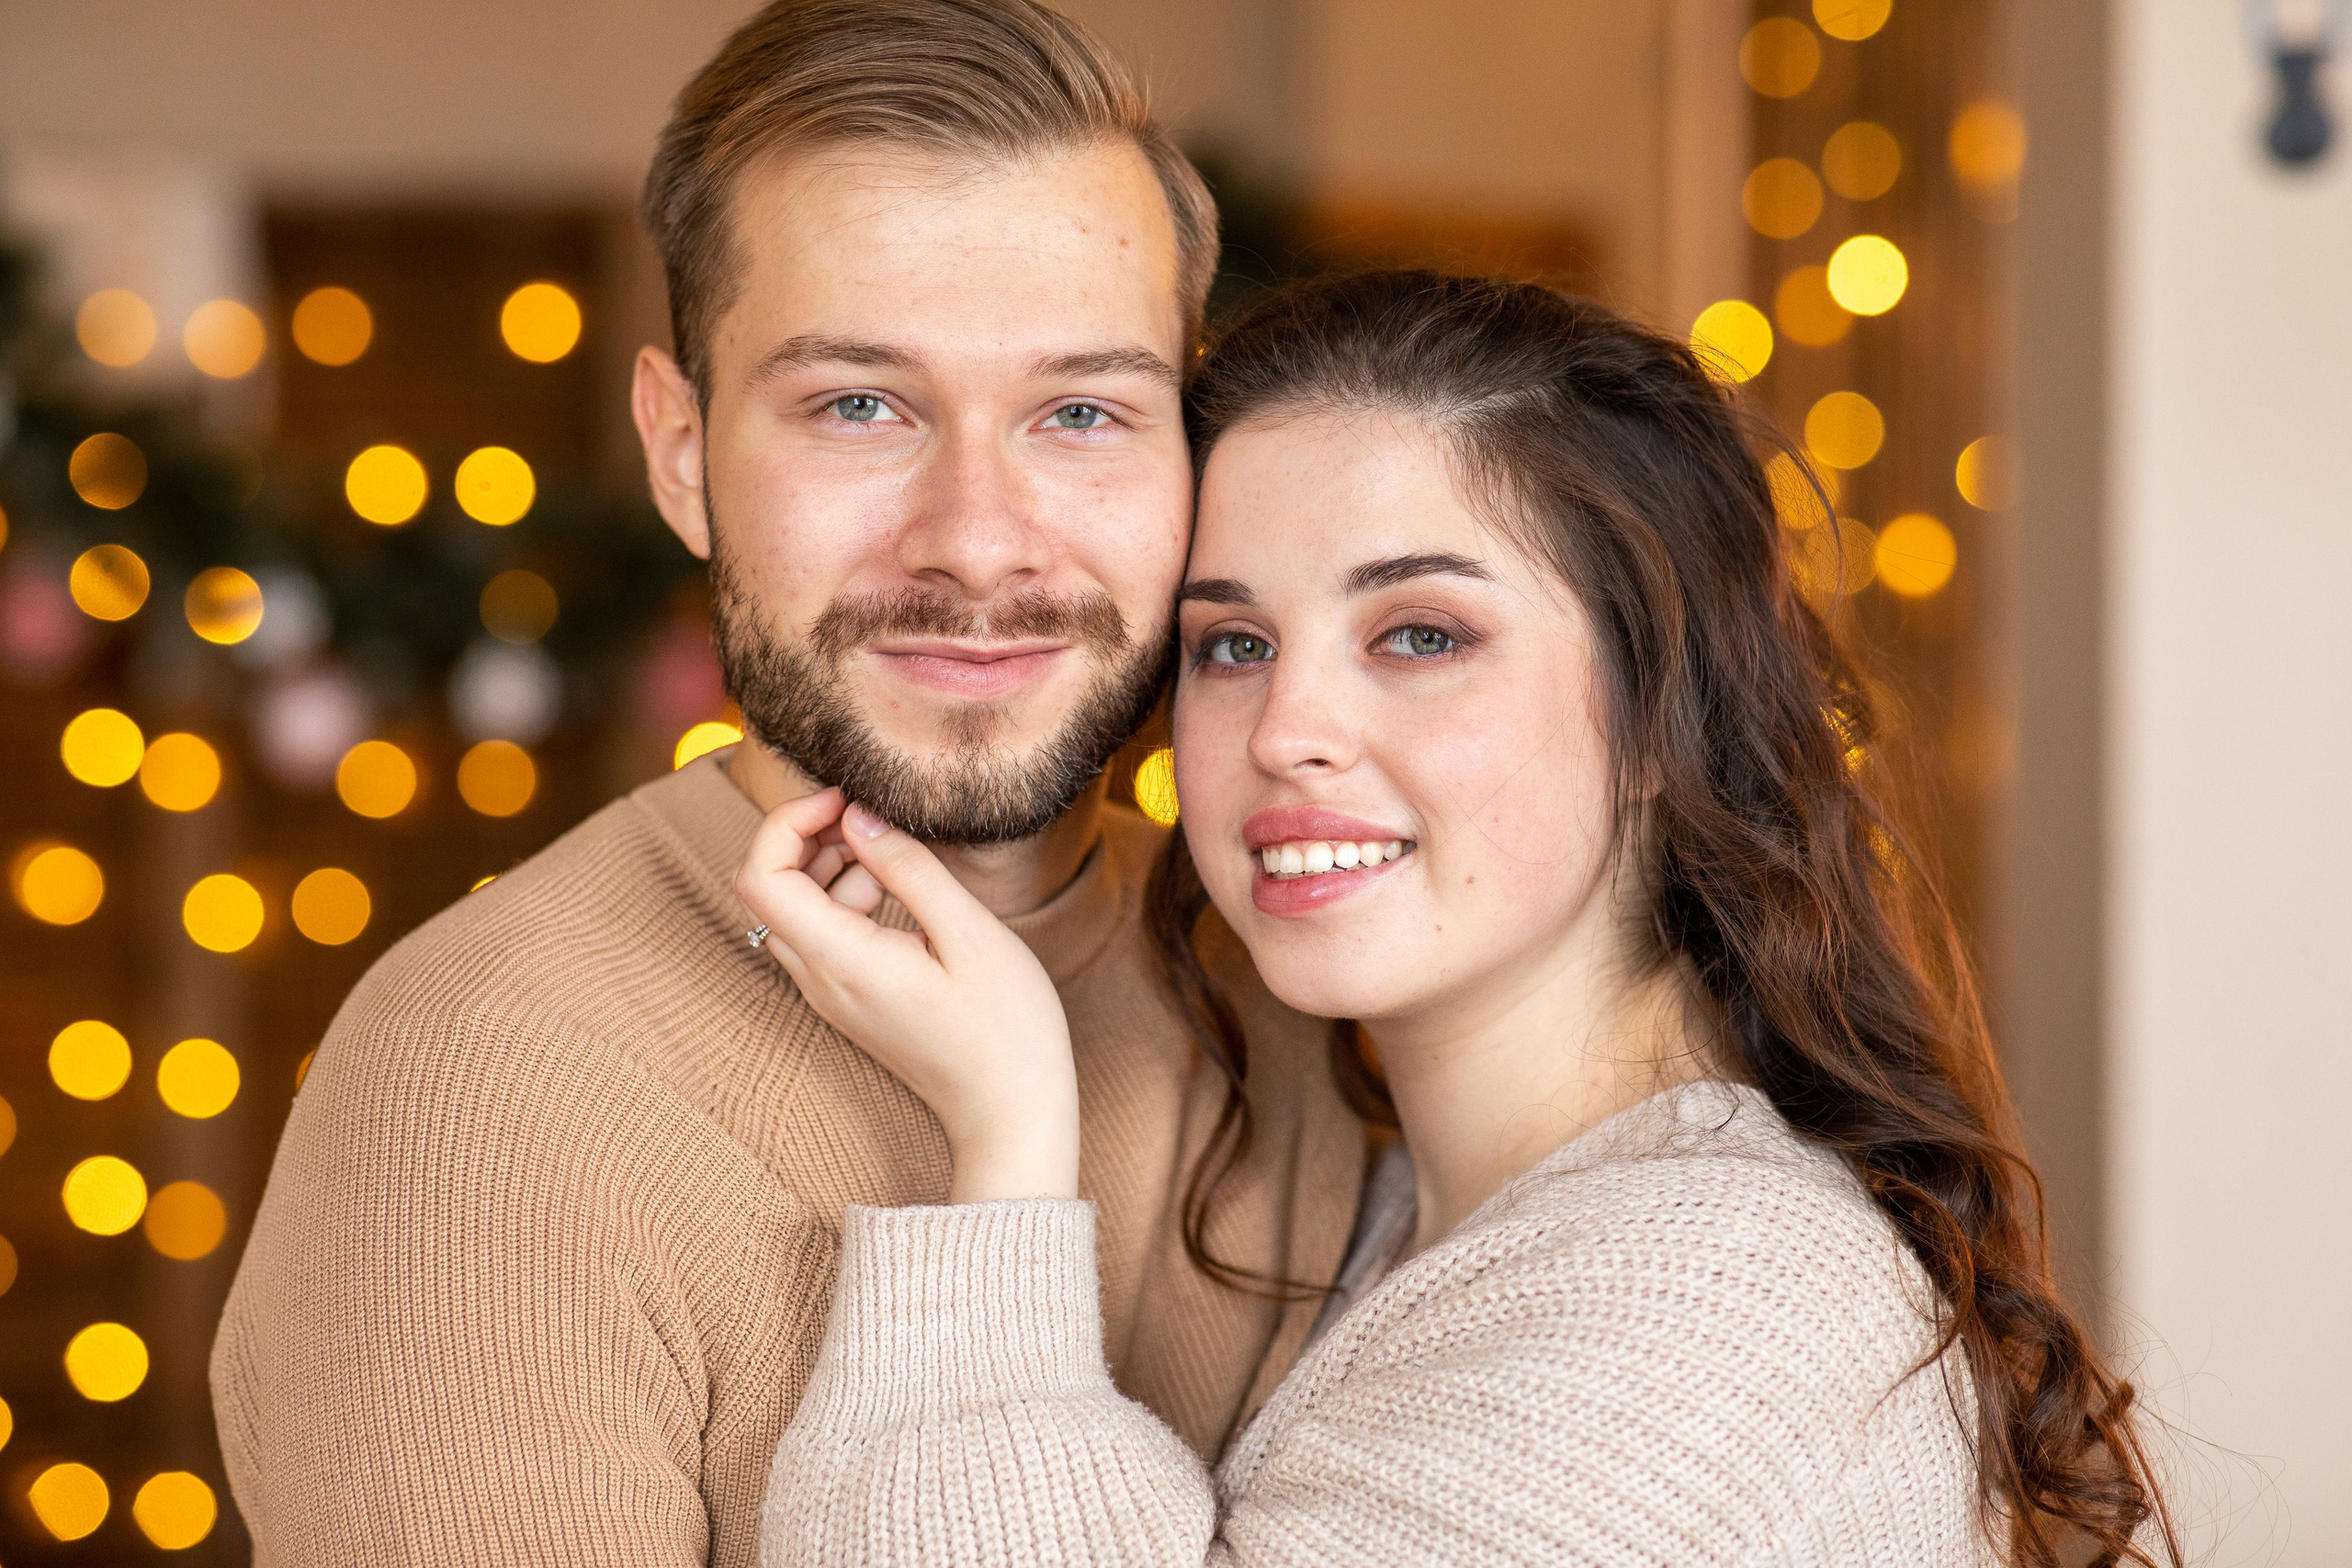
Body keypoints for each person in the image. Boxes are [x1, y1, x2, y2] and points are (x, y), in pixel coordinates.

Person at [737, 272, 2179, 1566]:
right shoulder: (1394, 1205)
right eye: (1232, 643)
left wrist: (1004, 1149)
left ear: (1661, 718)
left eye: (1420, 634)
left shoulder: (1719, 1293)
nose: (1286, 728)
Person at [209, 5, 1364, 1562]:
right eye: (858, 406)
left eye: (1083, 412)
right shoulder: (480, 1097)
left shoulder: (1315, 971)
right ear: (682, 455)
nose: (978, 541)